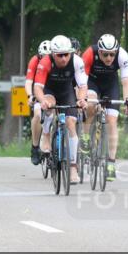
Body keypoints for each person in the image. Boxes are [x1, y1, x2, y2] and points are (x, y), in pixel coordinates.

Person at [33, 34, 88, 184]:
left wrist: (82, 99)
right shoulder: (45, 62)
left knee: (71, 123)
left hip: (67, 91)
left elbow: (82, 86)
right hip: (50, 91)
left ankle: (73, 167)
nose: (64, 59)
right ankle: (46, 134)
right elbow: (37, 87)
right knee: (49, 106)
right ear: (53, 54)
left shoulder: (77, 61)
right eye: (60, 55)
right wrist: (42, 100)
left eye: (66, 55)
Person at [82, 33, 128, 181]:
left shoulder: (122, 55)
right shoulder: (90, 53)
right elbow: (82, 82)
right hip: (91, 83)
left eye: (112, 54)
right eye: (105, 55)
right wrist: (83, 100)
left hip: (110, 85)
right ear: (99, 51)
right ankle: (85, 136)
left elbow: (126, 81)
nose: (109, 58)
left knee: (112, 121)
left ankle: (111, 163)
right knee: (91, 104)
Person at [25, 39, 52, 164]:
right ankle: (35, 147)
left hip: (52, 87)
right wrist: (30, 95)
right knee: (37, 114)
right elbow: (29, 81)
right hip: (39, 88)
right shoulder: (34, 61)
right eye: (42, 57)